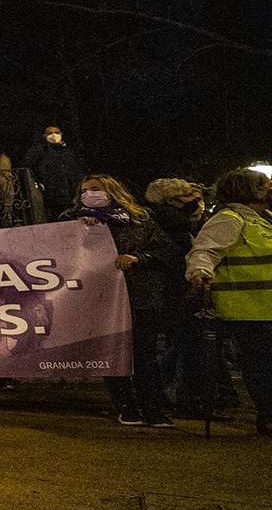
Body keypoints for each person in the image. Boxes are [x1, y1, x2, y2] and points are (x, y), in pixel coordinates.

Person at [64, 175, 172, 427]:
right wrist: (80, 230)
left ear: (112, 192)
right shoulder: (71, 221)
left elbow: (168, 252)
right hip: (99, 297)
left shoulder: (140, 220)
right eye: (84, 190)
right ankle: (126, 406)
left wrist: (138, 258)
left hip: (140, 296)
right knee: (112, 352)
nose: (89, 194)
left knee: (144, 354)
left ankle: (153, 410)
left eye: (95, 189)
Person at [185, 168, 272, 437]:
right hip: (249, 307)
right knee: (261, 364)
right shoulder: (228, 219)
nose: (270, 188)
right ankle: (268, 414)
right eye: (265, 185)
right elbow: (205, 250)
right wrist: (200, 273)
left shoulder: (264, 220)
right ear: (249, 190)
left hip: (265, 307)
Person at [145, 178, 209, 417]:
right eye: (188, 196)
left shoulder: (176, 222)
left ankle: (167, 393)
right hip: (175, 290)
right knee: (184, 343)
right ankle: (183, 398)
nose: (195, 201)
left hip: (172, 290)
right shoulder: (174, 224)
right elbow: (176, 256)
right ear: (172, 201)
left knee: (179, 343)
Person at [23, 124, 85, 217]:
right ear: (44, 136)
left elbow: (76, 169)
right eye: (49, 133)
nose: (53, 135)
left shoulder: (68, 151)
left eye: (56, 132)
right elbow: (29, 167)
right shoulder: (38, 150)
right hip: (50, 193)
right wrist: (38, 182)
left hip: (70, 193)